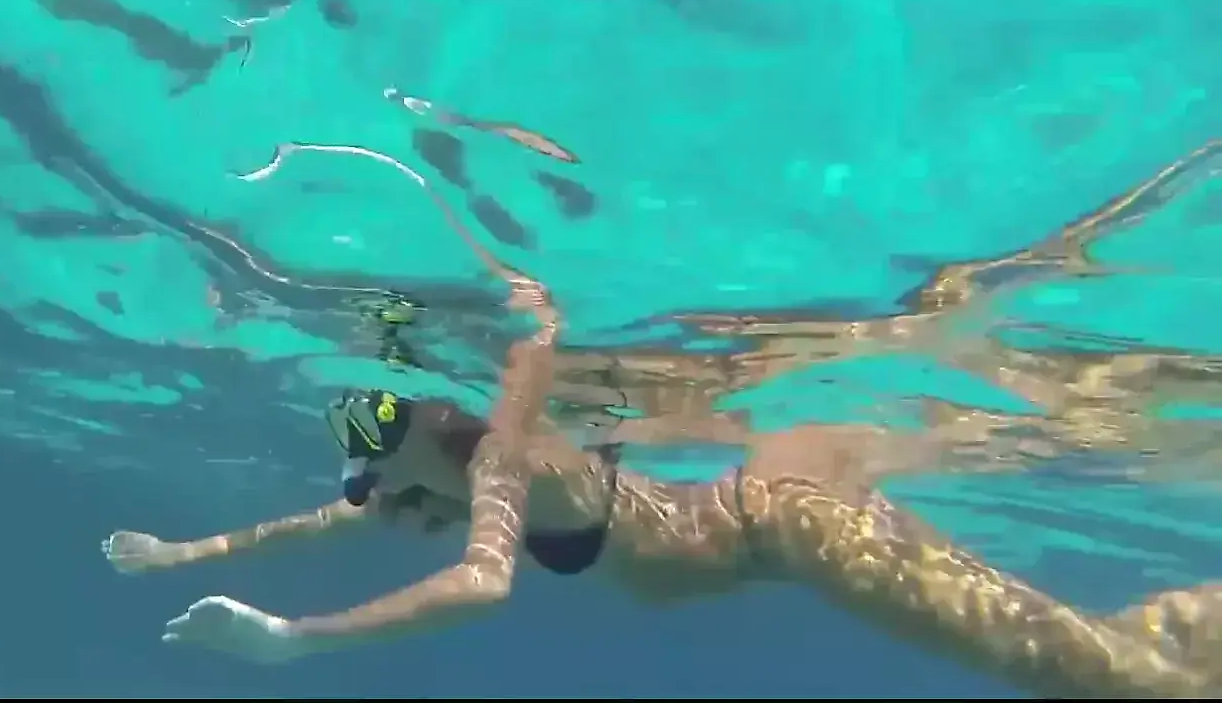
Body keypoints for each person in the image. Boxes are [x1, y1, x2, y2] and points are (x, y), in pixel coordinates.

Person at [104, 142, 1221, 697]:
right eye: (376, 457)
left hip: (780, 518)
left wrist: (297, 639)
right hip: (752, 521)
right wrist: (175, 555)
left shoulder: (495, 463)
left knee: (1091, 673)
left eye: (391, 435)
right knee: (1098, 659)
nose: (374, 489)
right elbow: (310, 523)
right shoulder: (421, 481)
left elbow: (481, 584)